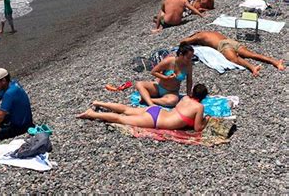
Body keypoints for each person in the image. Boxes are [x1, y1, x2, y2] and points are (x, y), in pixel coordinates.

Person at [77, 84, 209, 132]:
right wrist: (206, 120)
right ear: (203, 97)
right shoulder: (199, 107)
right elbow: (198, 128)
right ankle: (92, 114)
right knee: (120, 119)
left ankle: (99, 103)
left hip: (157, 110)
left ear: (192, 92)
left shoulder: (185, 98)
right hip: (156, 120)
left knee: (126, 109)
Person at [180, 31, 285, 76]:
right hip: (231, 41)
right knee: (251, 54)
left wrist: (190, 39)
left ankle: (252, 67)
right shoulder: (211, 32)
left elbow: (184, 42)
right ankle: (275, 62)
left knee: (234, 59)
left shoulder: (199, 36)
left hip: (223, 45)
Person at [0, 68, 33, 141]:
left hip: (20, 127)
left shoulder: (9, 93)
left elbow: (0, 115)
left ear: (3, 80)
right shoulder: (12, 84)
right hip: (17, 117)